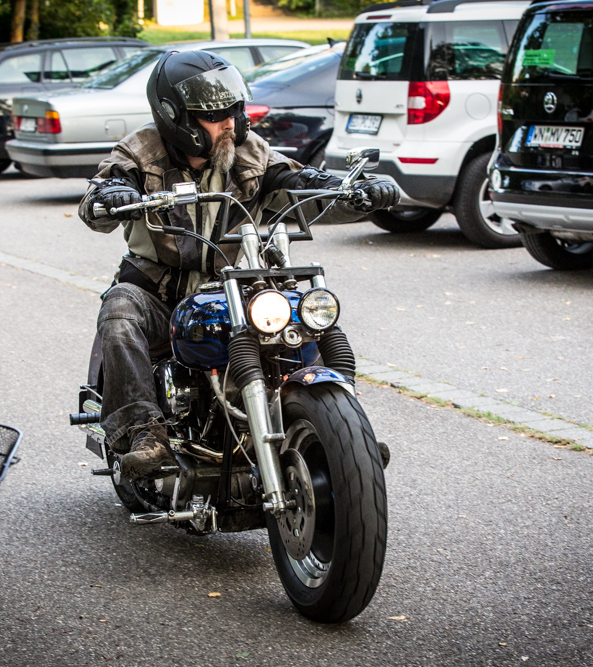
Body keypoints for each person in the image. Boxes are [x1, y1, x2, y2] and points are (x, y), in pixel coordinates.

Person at [78, 50, 399, 481]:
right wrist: (111, 195)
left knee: (307, 313)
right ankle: (144, 432)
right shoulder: (140, 152)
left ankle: (344, 430)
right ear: (177, 118)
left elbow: (301, 183)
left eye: (234, 110)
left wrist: (355, 191)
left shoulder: (251, 154)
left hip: (232, 288)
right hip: (158, 294)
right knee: (119, 308)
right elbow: (101, 193)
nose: (230, 122)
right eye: (214, 115)